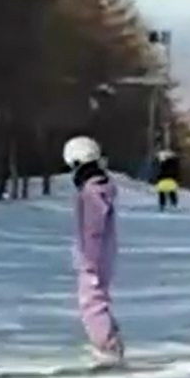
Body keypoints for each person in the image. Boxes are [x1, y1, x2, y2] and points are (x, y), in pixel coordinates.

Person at [64, 135, 126, 364]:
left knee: (91, 301)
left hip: (94, 255)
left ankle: (107, 345)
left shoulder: (91, 192)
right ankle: (109, 339)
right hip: (98, 253)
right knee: (96, 298)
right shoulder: (97, 188)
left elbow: (93, 229)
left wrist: (88, 258)